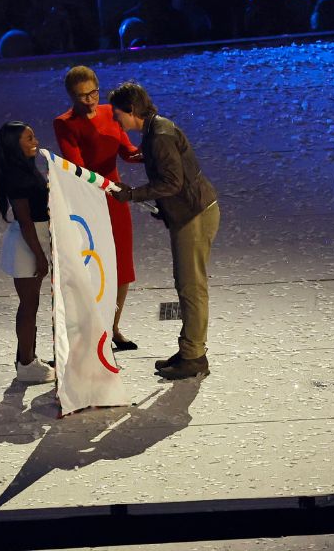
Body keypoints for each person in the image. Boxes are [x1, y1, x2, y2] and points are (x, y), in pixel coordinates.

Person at [108, 83, 219, 380]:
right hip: (188, 212)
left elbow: (173, 183)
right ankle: (189, 350)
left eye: (118, 114)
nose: (116, 120)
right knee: (187, 285)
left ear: (131, 110)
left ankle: (194, 356)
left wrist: (132, 195)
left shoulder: (159, 136)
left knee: (191, 287)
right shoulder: (155, 131)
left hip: (193, 215)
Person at [52, 66, 143, 352]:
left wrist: (152, 152)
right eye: (82, 96)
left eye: (93, 93)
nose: (89, 100)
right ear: (71, 96)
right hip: (89, 199)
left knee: (123, 267)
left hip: (115, 197)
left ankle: (113, 327)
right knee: (94, 266)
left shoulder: (110, 112)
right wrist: (103, 186)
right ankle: (94, 330)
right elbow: (77, 166)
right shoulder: (64, 122)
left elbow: (127, 151)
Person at [0, 122, 55, 385]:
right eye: (29, 138)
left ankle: (27, 357)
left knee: (31, 305)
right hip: (28, 243)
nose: (35, 141)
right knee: (29, 305)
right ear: (14, 145)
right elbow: (26, 221)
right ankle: (26, 363)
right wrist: (40, 256)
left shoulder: (25, 169)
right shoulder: (16, 176)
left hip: (35, 239)